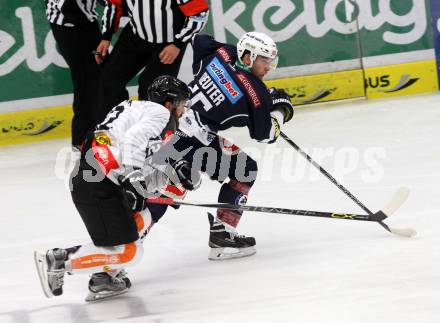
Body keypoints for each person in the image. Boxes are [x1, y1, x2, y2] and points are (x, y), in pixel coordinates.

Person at [34, 75, 201, 301]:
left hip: (93, 179)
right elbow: (132, 142)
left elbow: (143, 170)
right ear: (169, 103)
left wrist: (173, 175)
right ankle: (60, 260)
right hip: (98, 182)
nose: (183, 110)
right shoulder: (160, 114)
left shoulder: (137, 110)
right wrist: (133, 177)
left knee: (141, 216)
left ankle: (104, 277)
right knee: (130, 253)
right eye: (182, 104)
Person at [153, 32, 295, 260]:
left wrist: (229, 61)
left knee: (159, 191)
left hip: (169, 129)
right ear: (248, 57)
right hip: (192, 142)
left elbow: (199, 39)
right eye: (264, 61)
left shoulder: (220, 53)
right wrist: (281, 110)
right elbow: (267, 135)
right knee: (162, 194)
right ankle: (117, 254)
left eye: (271, 62)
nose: (269, 67)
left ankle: (223, 235)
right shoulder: (256, 96)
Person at [95, 0, 210, 127]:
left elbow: (199, 12)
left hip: (170, 42)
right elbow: (114, 4)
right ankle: (114, 128)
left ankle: (153, 134)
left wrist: (179, 44)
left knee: (154, 89)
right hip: (136, 35)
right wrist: (106, 35)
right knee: (109, 80)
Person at [44, 0, 103, 149]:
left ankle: (97, 131)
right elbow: (68, 8)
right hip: (67, 26)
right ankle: (81, 138)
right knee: (84, 79)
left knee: (99, 77)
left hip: (87, 20)